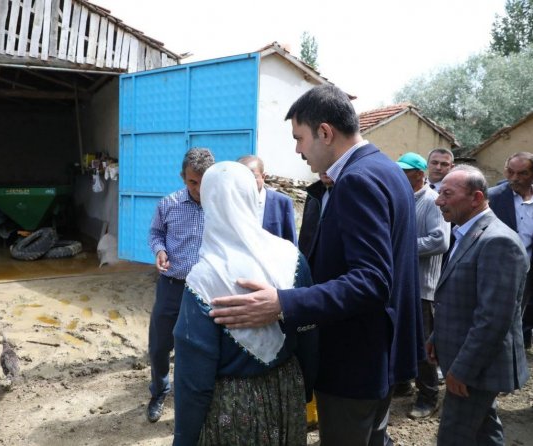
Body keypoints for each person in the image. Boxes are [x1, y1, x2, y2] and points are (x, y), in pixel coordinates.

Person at [209, 84, 424, 446]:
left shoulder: (357, 181)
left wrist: (283, 303)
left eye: (300, 138)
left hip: (354, 361)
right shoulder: (385, 169)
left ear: (325, 132)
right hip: (381, 354)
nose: (297, 149)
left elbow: (371, 281)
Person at [172, 161, 317, 445]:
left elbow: (194, 378)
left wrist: (184, 438)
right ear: (252, 197)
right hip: (286, 390)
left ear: (209, 202)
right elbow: (310, 333)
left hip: (233, 407)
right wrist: (305, 388)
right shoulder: (289, 256)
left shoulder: (206, 277)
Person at [429, 165, 529, 445]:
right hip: (467, 359)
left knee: (454, 435)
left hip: (476, 368)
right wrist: (438, 335)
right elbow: (461, 297)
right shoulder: (466, 233)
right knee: (485, 430)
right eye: (439, 193)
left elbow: (493, 319)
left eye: (447, 194)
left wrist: (462, 369)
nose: (439, 201)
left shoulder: (498, 242)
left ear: (475, 198)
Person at [146, 147, 215, 423]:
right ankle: (160, 390)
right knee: (159, 345)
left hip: (207, 290)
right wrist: (160, 250)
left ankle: (200, 396)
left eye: (204, 181)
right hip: (172, 286)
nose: (199, 189)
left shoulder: (222, 204)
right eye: (193, 182)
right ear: (183, 178)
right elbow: (155, 233)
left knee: (203, 346)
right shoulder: (169, 204)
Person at [396, 152, 450, 419]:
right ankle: (403, 384)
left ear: (419, 174)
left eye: (405, 171)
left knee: (423, 343)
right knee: (402, 337)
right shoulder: (404, 198)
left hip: (423, 286)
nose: (400, 175)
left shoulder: (431, 201)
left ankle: (428, 396)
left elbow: (440, 241)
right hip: (403, 284)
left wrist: (402, 247)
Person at [488, 152, 533, 349]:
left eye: (522, 173)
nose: (515, 178)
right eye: (511, 172)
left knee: (518, 318)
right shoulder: (493, 197)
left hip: (528, 271)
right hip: (497, 270)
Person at [237, 155, 297, 244]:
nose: (247, 181)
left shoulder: (282, 203)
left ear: (263, 176)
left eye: (252, 176)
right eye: (241, 176)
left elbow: (291, 241)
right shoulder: (233, 202)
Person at [298, 172, 333, 258]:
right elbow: (305, 234)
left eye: (330, 165)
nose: (326, 170)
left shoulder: (347, 194)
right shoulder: (313, 194)